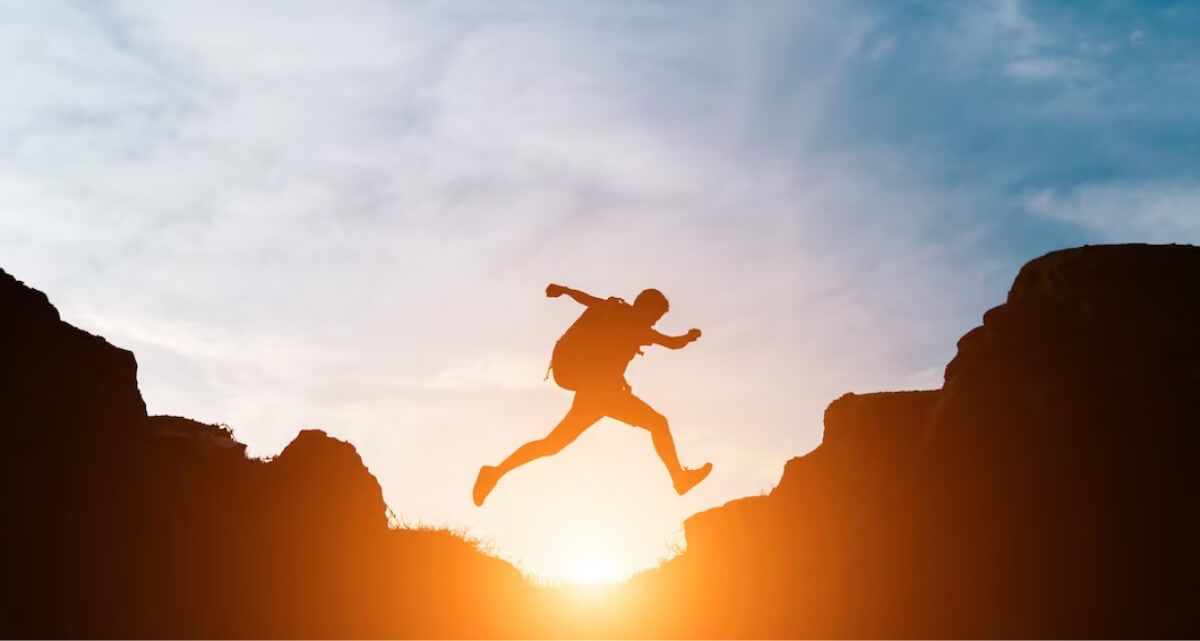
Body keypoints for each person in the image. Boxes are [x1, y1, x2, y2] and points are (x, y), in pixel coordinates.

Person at [473, 283, 712, 506]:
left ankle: (495, 472)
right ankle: (679, 479)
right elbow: (671, 343)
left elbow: (586, 300)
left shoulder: (612, 310)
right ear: (645, 307)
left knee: (552, 444)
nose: (653, 322)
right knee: (658, 424)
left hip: (598, 394)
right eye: (655, 316)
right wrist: (689, 337)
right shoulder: (633, 323)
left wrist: (564, 290)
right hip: (600, 395)